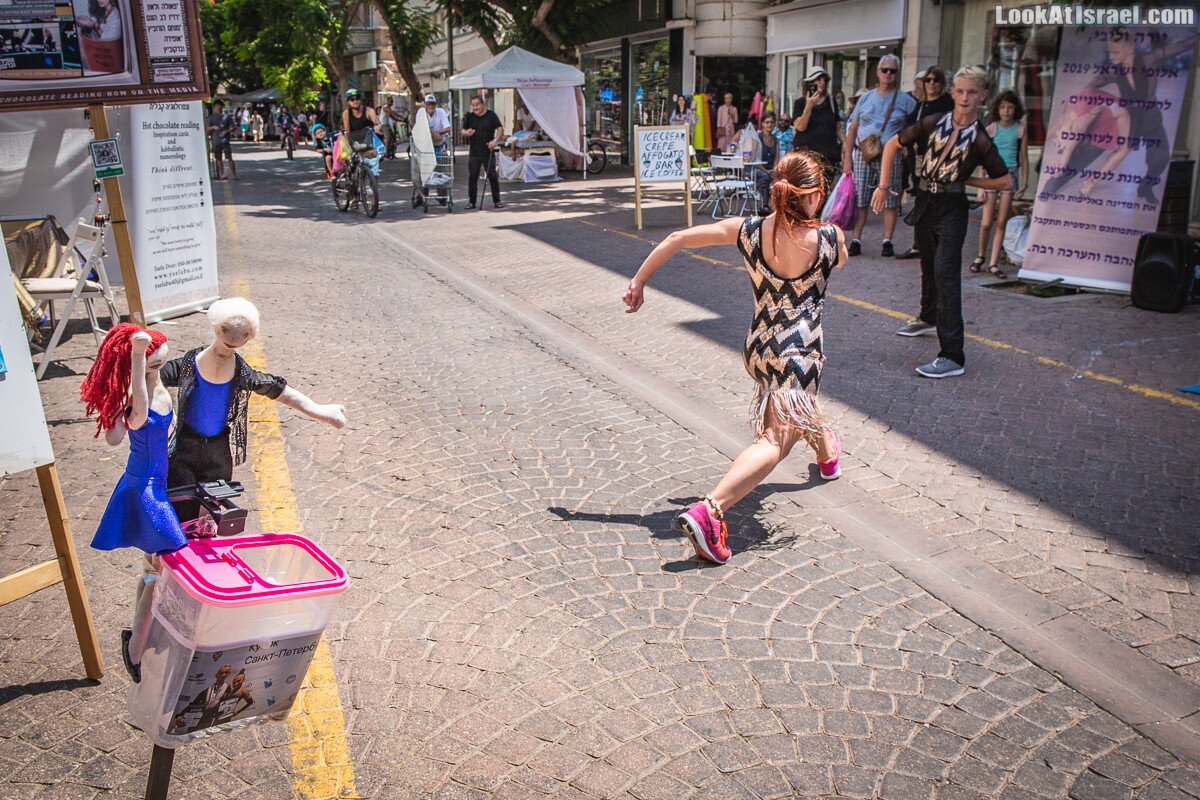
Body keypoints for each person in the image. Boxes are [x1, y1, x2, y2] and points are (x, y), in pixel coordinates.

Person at [622, 151, 848, 564]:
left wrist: (638, 283)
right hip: (798, 349)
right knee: (774, 441)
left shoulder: (748, 231)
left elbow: (677, 239)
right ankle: (710, 510)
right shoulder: (830, 238)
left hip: (759, 346)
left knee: (795, 411)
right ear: (814, 195)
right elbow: (841, 259)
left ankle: (827, 453)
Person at [873, 65, 1012, 379]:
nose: (965, 98)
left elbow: (1005, 181)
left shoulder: (979, 138)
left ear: (983, 96)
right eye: (960, 91)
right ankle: (928, 317)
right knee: (927, 264)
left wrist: (967, 181)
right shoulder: (935, 122)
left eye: (972, 92)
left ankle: (952, 354)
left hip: (952, 206)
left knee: (946, 274)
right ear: (952, 93)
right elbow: (893, 144)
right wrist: (883, 186)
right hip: (925, 200)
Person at [81, 324, 187, 684]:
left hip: (154, 483)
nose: (158, 368)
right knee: (168, 558)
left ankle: (138, 640)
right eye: (152, 364)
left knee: (153, 568)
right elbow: (136, 418)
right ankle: (136, 648)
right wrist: (137, 358)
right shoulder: (136, 395)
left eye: (160, 363)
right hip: (145, 489)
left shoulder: (147, 388)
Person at [160, 297, 346, 490]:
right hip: (185, 447)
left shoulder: (242, 374)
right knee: (180, 496)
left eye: (244, 334)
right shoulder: (188, 366)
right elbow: (157, 376)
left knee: (213, 502)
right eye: (225, 330)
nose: (233, 339)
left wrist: (318, 410)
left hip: (217, 450)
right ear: (216, 326)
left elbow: (278, 390)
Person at [842, 55, 916, 257]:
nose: (888, 74)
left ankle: (887, 240)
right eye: (885, 70)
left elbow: (915, 126)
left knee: (891, 199)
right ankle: (856, 240)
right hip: (863, 154)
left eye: (892, 71)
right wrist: (847, 157)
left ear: (897, 74)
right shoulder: (866, 97)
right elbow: (853, 128)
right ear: (878, 72)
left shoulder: (906, 101)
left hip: (890, 156)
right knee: (861, 200)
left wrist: (907, 144)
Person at [897, 66, 955, 259]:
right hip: (922, 158)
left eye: (935, 80)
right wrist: (905, 144)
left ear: (942, 83)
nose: (931, 84)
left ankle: (939, 242)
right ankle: (919, 244)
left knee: (941, 198)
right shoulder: (921, 106)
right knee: (922, 198)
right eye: (928, 80)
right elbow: (909, 128)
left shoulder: (948, 104)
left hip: (943, 159)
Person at [973, 91, 1028, 278]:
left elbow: (1024, 157)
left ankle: (993, 262)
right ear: (997, 109)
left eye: (1010, 107)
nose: (1006, 111)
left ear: (1016, 109)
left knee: (1001, 221)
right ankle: (981, 255)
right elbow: (982, 156)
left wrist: (1025, 182)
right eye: (1003, 107)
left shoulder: (1020, 129)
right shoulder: (992, 128)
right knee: (987, 221)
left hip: (1011, 174)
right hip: (992, 173)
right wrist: (980, 185)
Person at [791, 67, 842, 182]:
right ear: (810, 83)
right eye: (818, 79)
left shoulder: (831, 101)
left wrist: (846, 146)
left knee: (823, 191)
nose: (822, 82)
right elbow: (800, 127)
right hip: (807, 155)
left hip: (827, 156)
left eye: (824, 80)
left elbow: (838, 127)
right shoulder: (800, 103)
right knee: (807, 189)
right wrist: (809, 106)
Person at [462, 95, 504, 210]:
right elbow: (463, 131)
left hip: (488, 150)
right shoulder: (470, 117)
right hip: (474, 151)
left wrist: (495, 140)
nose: (475, 108)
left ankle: (497, 200)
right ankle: (471, 201)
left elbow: (500, 129)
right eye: (473, 106)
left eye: (477, 105)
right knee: (473, 177)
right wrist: (467, 133)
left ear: (483, 104)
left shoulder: (491, 115)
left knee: (492, 176)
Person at [415, 93, 452, 204]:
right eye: (428, 104)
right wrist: (432, 132)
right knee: (425, 172)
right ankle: (422, 196)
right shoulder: (421, 112)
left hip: (438, 146)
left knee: (441, 170)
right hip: (425, 147)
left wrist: (437, 132)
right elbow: (422, 126)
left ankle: (442, 197)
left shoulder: (440, 112)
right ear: (424, 105)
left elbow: (447, 128)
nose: (431, 107)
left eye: (432, 104)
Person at [750, 113, 780, 210]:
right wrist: (766, 171)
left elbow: (776, 158)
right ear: (762, 124)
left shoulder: (776, 140)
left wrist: (774, 170)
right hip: (757, 169)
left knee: (782, 177)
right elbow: (754, 159)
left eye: (771, 122)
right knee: (765, 177)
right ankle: (764, 206)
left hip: (771, 168)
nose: (769, 125)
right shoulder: (757, 138)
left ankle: (779, 207)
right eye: (767, 122)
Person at [206, 100, 238, 180]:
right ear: (214, 107)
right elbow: (207, 128)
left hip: (225, 140)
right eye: (216, 106)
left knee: (229, 157)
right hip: (216, 140)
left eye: (220, 105)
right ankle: (223, 174)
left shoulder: (227, 117)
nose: (218, 107)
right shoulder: (211, 117)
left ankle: (234, 174)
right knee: (218, 158)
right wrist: (213, 127)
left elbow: (232, 127)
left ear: (222, 106)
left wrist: (226, 131)